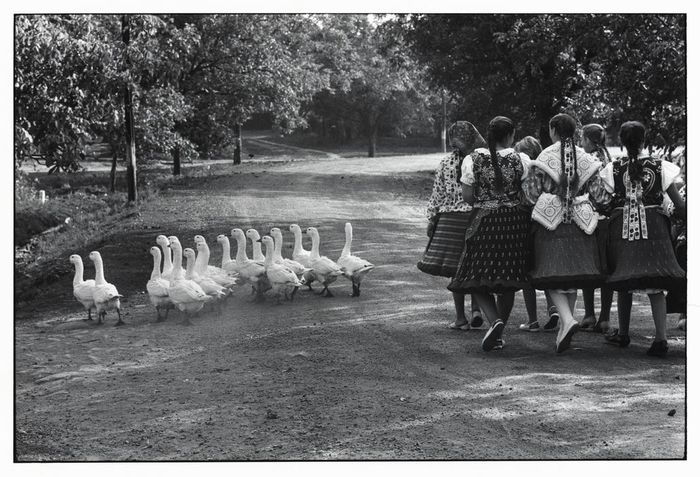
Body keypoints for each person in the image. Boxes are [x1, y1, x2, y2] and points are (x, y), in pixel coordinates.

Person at [523, 113, 607, 353]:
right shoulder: (587, 158)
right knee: (572, 276)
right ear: (576, 131)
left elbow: (530, 195)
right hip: (582, 222)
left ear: (552, 130)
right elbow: (600, 196)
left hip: (550, 224)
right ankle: (564, 328)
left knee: (549, 273)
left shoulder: (544, 157)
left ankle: (567, 320)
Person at [600, 121, 686, 357]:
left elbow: (603, 202)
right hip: (654, 228)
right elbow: (678, 204)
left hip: (623, 229)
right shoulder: (660, 167)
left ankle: (624, 333)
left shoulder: (613, 168)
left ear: (622, 140)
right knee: (655, 282)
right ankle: (661, 339)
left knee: (624, 280)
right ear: (644, 139)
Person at [448, 116, 532, 351]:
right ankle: (498, 331)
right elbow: (527, 192)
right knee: (508, 277)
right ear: (511, 135)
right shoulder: (521, 159)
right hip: (514, 223)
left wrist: (488, 201)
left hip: (484, 220)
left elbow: (467, 197)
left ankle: (493, 320)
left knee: (474, 275)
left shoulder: (471, 159)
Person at [418, 121, 486, 330]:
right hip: (476, 217)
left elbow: (437, 193)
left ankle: (460, 318)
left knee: (456, 270)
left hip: (449, 222)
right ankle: (477, 309)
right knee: (475, 266)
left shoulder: (446, 162)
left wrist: (432, 218)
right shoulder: (482, 160)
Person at [513, 136, 558, 332]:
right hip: (548, 223)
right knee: (544, 269)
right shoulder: (546, 168)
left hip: (528, 223)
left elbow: (527, 199)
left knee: (527, 273)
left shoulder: (526, 171)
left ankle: (532, 320)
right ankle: (553, 308)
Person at [579, 124, 615, 333]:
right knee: (606, 266)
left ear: (589, 141)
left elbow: (591, 190)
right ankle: (605, 317)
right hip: (608, 218)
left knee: (589, 265)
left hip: (591, 216)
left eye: (582, 139)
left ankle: (589, 314)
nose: (580, 143)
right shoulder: (609, 159)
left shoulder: (589, 160)